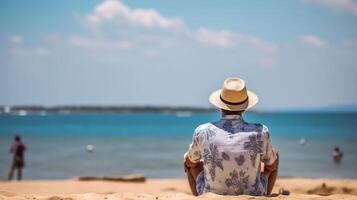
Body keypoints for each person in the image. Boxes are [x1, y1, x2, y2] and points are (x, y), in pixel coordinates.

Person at [183, 77, 279, 196]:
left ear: (220, 106)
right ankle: (264, 196)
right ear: (244, 108)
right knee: (274, 156)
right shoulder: (261, 131)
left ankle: (201, 198)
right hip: (252, 194)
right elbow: (272, 164)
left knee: (191, 160)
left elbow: (190, 162)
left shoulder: (203, 131)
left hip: (212, 195)